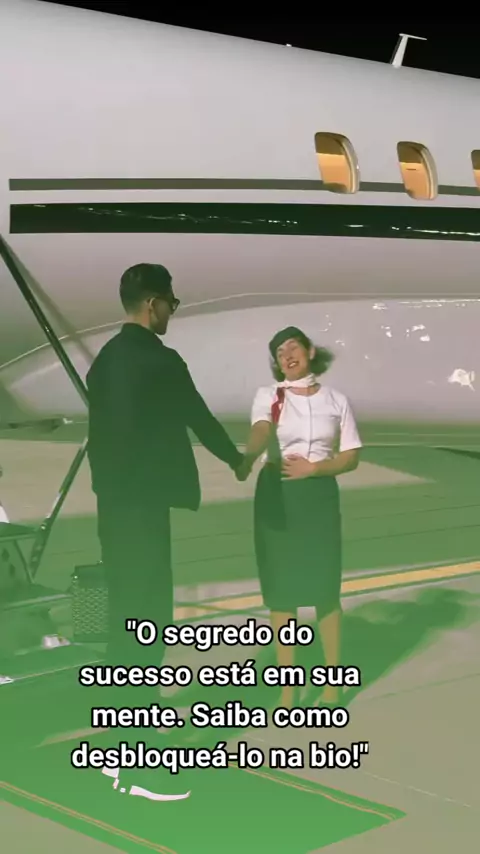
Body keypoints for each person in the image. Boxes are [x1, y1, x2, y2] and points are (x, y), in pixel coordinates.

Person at [86, 263, 244, 798]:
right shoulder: (160, 360)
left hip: (114, 510)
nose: (172, 313)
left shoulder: (105, 361)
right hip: (145, 510)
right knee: (147, 623)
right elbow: (198, 416)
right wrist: (237, 460)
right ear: (153, 303)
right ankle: (133, 765)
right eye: (172, 304)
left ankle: (121, 741)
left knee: (124, 622)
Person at [237, 327, 362, 709]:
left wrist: (315, 469)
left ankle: (332, 685)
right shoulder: (269, 395)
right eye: (279, 352)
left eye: (293, 347)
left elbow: (351, 455)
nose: (287, 355)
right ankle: (288, 689)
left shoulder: (336, 400)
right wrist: (247, 456)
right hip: (276, 493)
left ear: (309, 351)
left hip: (318, 494)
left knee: (326, 588)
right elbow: (261, 429)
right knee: (282, 591)